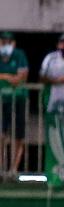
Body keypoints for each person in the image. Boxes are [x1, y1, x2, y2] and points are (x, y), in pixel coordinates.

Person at [0, 31, 28, 174]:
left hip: (19, 99)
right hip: (2, 101)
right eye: (3, 42)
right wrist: (8, 77)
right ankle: (1, 169)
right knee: (1, 135)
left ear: (14, 44)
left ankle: (13, 169)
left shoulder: (19, 55)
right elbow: (13, 78)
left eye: (8, 42)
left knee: (18, 136)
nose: (5, 45)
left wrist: (3, 76)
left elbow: (20, 79)